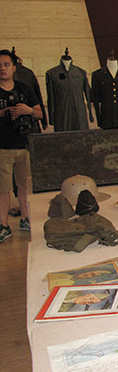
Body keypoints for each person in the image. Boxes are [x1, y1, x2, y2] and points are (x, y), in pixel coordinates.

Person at [0, 49, 43, 243]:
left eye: (6, 64)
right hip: (3, 147)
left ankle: (26, 219)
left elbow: (39, 113)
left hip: (24, 144)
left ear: (14, 67)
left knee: (24, 186)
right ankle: (4, 225)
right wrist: (5, 112)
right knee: (3, 189)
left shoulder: (25, 88)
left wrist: (27, 110)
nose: (2, 69)